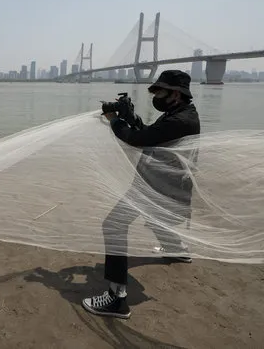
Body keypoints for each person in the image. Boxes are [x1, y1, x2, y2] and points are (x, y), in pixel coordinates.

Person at [82, 70, 201, 319]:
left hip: (157, 186)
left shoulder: (179, 121)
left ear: (176, 94)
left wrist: (115, 119)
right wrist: (131, 117)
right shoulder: (180, 114)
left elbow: (137, 140)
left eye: (160, 91)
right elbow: (152, 136)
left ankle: (116, 299)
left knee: (113, 226)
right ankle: (177, 251)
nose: (156, 95)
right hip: (166, 184)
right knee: (156, 218)